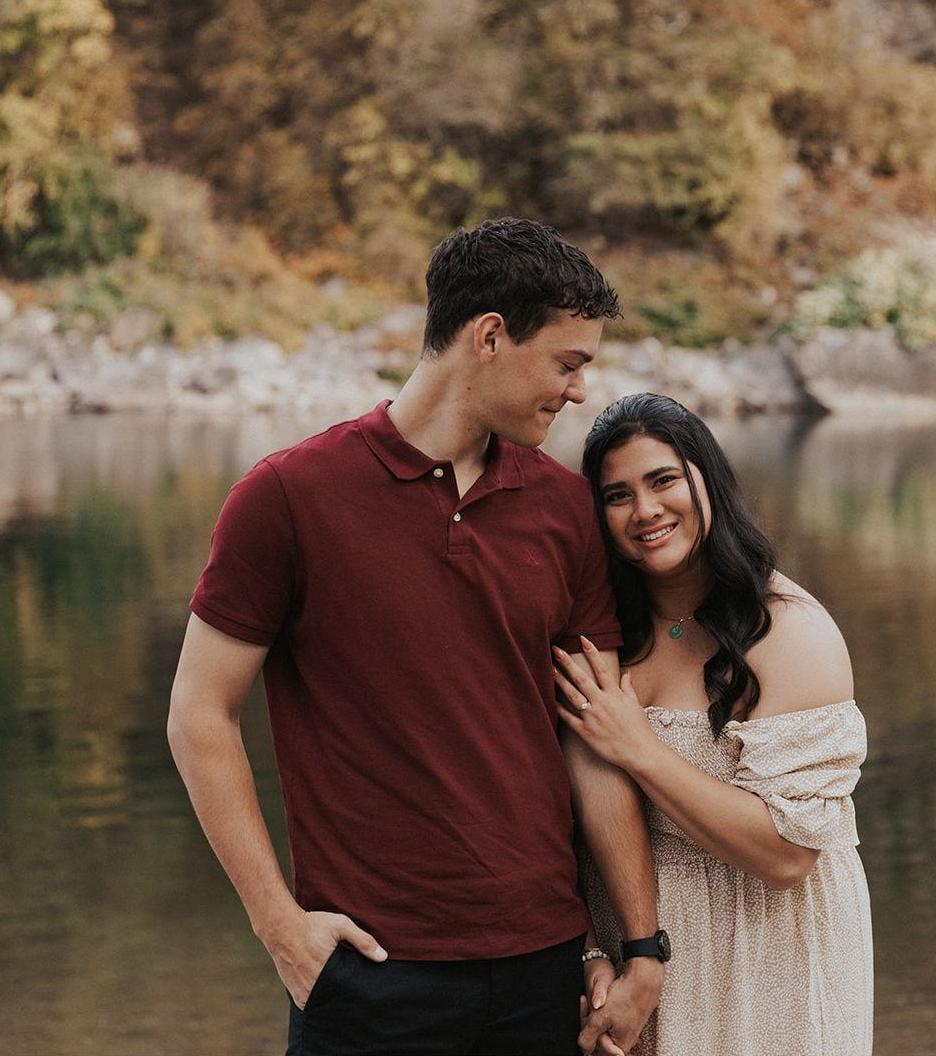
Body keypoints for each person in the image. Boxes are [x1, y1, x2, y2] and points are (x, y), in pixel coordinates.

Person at [167, 219, 667, 1056]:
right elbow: (199, 716)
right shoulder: (288, 496)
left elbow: (594, 737)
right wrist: (278, 925)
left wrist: (640, 947)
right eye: (568, 362)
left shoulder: (563, 508)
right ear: (489, 336)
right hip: (369, 976)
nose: (580, 391)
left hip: (544, 972)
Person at [553, 393, 873, 1056]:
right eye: (616, 495)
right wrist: (589, 952)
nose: (645, 511)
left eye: (663, 480)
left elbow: (787, 855)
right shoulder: (599, 633)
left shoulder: (789, 632)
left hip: (766, 944)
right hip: (632, 946)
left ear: (709, 480)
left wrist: (640, 751)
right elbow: (558, 819)